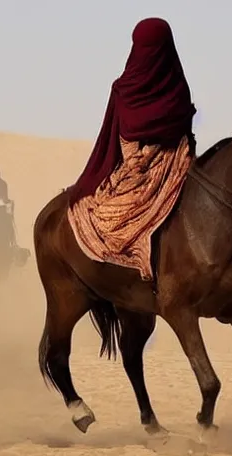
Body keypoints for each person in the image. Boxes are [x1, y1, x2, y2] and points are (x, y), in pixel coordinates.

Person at [67, 17, 196, 281]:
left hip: (177, 163)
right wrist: (137, 163)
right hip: (138, 167)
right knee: (115, 220)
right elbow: (123, 134)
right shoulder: (126, 89)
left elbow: (183, 130)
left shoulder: (176, 86)